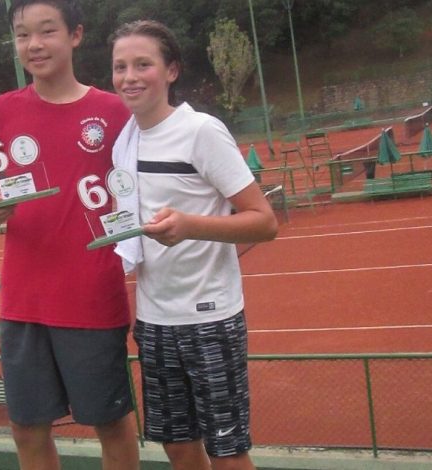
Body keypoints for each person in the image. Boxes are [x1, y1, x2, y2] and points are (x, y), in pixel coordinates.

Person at [0, 1, 139, 469]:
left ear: (75, 34)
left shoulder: (114, 111)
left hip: (92, 295)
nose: (34, 45)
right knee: (26, 428)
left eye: (47, 32)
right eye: (23, 35)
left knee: (111, 424)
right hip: (24, 300)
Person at [110, 20, 279, 470]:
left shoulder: (201, 131)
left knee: (228, 452)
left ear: (171, 71)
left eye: (143, 64)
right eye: (120, 67)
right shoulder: (124, 141)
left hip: (210, 319)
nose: (129, 77)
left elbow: (264, 221)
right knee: (178, 447)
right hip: (153, 320)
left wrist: (190, 226)